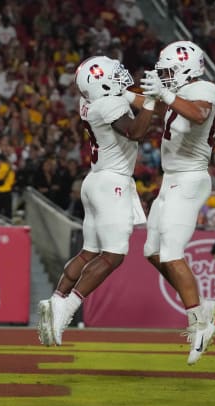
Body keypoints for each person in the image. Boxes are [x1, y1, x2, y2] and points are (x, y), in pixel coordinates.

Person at [37, 56, 156, 348]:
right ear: (100, 81)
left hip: (96, 179)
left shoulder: (92, 102)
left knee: (89, 252)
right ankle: (67, 309)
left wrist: (155, 98)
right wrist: (153, 101)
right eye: (114, 73)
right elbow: (136, 130)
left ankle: (55, 301)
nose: (121, 75)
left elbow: (135, 105)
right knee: (113, 254)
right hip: (112, 182)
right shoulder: (107, 104)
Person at [138, 40, 215, 365]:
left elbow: (199, 114)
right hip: (171, 179)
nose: (166, 77)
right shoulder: (178, 93)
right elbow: (163, 110)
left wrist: (168, 94)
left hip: (190, 177)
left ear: (188, 69)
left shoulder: (204, 89)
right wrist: (122, 95)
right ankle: (202, 308)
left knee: (172, 253)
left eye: (170, 71)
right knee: (152, 252)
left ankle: (199, 323)